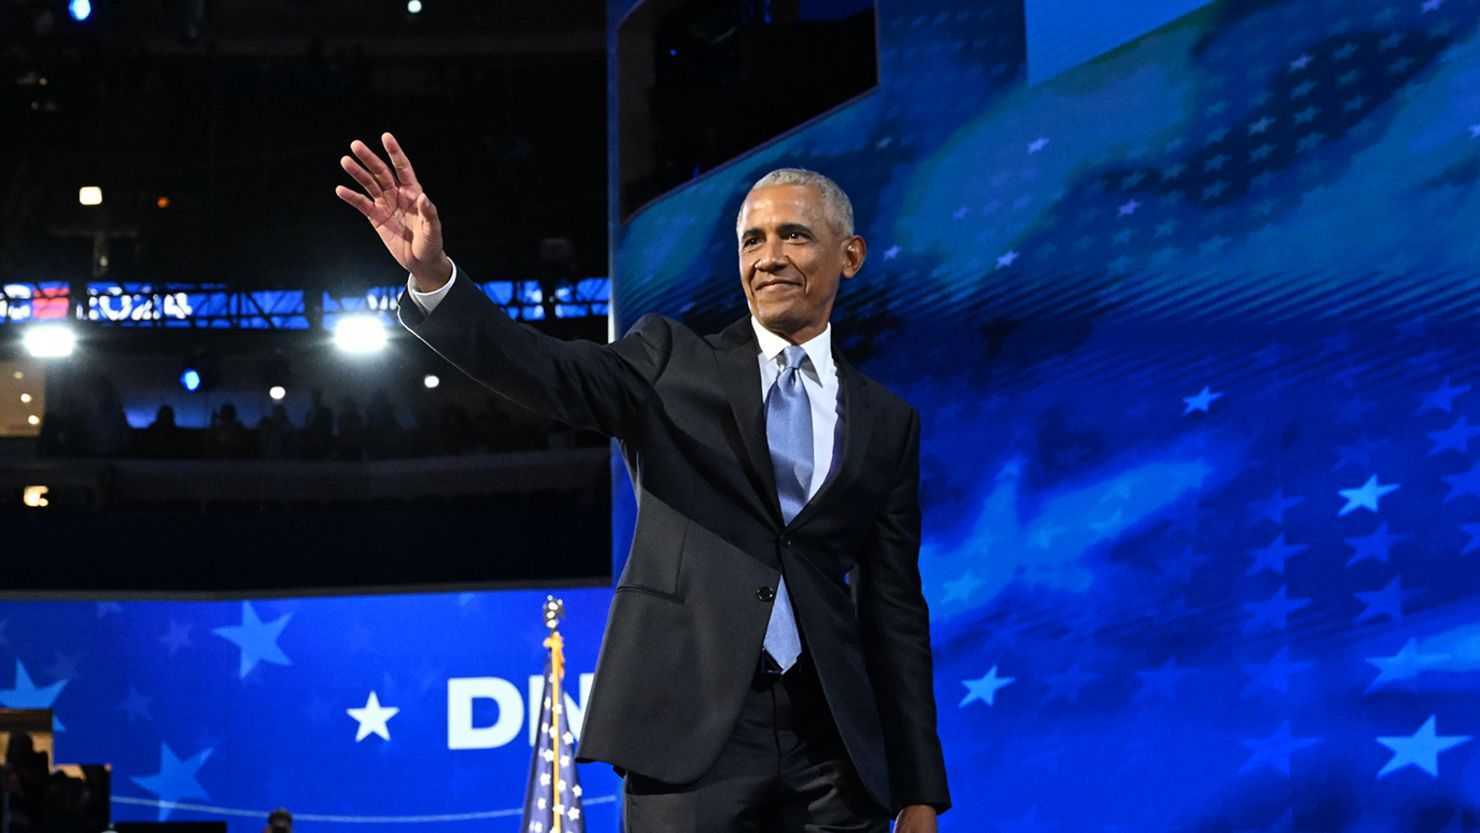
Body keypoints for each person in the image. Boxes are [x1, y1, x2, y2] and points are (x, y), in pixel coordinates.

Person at [336, 133, 949, 832]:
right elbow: (550, 371)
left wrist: (918, 788)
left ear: (850, 255)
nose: (769, 257)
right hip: (689, 734)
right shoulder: (668, 359)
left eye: (794, 235)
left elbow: (894, 610)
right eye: (752, 240)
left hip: (834, 747)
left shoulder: (887, 422)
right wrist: (437, 278)